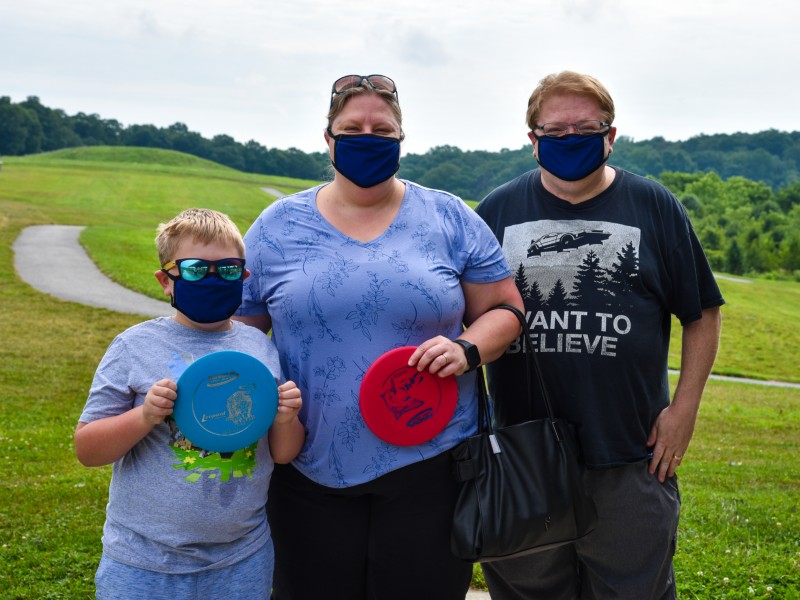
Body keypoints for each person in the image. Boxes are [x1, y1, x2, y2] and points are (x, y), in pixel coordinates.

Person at [234, 74, 523, 600]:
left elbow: (506, 310)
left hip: (433, 464)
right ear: (329, 139)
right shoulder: (278, 226)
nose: (367, 136)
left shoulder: (448, 216)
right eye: (352, 127)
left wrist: (467, 346)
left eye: (381, 129)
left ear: (400, 140)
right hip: (306, 463)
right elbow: (238, 335)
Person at [475, 71, 724, 600]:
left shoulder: (654, 206)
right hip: (523, 457)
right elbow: (461, 316)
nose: (571, 140)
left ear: (611, 135)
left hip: (631, 453)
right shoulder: (497, 211)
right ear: (532, 138)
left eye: (586, 128)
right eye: (556, 130)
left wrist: (684, 412)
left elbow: (703, 311)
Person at [75, 208, 305, 599]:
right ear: (166, 280)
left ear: (244, 276)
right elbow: (88, 449)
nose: (214, 279)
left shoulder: (259, 349)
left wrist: (286, 417)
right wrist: (144, 415)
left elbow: (283, 455)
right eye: (197, 269)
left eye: (228, 269)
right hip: (142, 564)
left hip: (241, 560)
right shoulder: (134, 347)